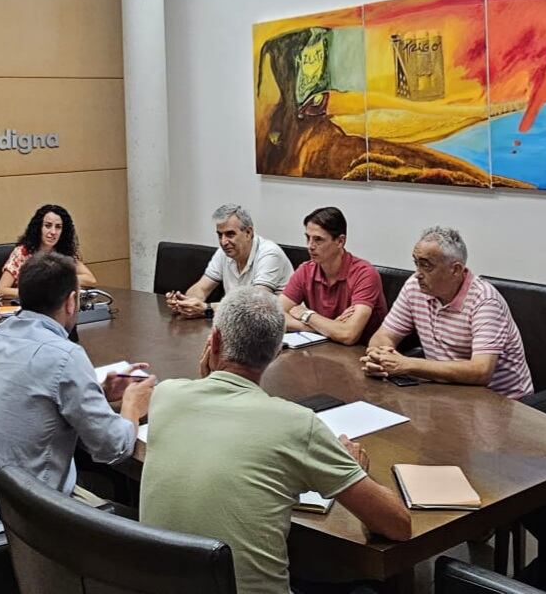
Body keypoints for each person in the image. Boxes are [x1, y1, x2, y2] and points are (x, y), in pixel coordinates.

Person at [140, 287, 410, 594]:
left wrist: (206, 382)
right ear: (278, 350)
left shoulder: (166, 395)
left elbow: (217, 422)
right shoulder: (296, 424)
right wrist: (356, 469)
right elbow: (398, 526)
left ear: (213, 340)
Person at [0, 252, 155, 539]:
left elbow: (33, 403)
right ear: (72, 302)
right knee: (147, 528)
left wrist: (99, 392)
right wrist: (132, 407)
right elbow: (112, 447)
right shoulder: (64, 355)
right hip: (22, 533)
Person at [361, 226, 533, 399]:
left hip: (504, 403)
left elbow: (481, 371)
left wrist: (407, 364)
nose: (417, 274)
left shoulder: (485, 301)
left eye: (426, 265)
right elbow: (383, 336)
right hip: (447, 394)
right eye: (416, 263)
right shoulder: (414, 288)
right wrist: (380, 358)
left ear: (455, 270)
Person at [279, 207, 387, 346]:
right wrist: (317, 328)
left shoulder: (365, 274)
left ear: (340, 241)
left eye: (318, 240)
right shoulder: (306, 270)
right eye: (308, 238)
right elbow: (274, 315)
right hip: (324, 348)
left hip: (361, 354)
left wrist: (307, 315)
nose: (310, 246)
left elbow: (348, 335)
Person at [165, 203, 293, 318]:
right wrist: (186, 302)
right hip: (238, 324)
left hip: (276, 329)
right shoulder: (224, 252)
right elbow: (201, 288)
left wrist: (207, 308)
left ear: (248, 233)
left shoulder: (270, 254)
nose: (223, 242)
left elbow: (255, 303)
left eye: (230, 234)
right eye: (220, 235)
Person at [0, 203, 97, 300]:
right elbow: (0, 291)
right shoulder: (22, 252)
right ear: (38, 228)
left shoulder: (64, 252)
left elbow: (91, 280)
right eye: (48, 226)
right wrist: (35, 292)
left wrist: (59, 280)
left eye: (58, 227)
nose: (53, 232)